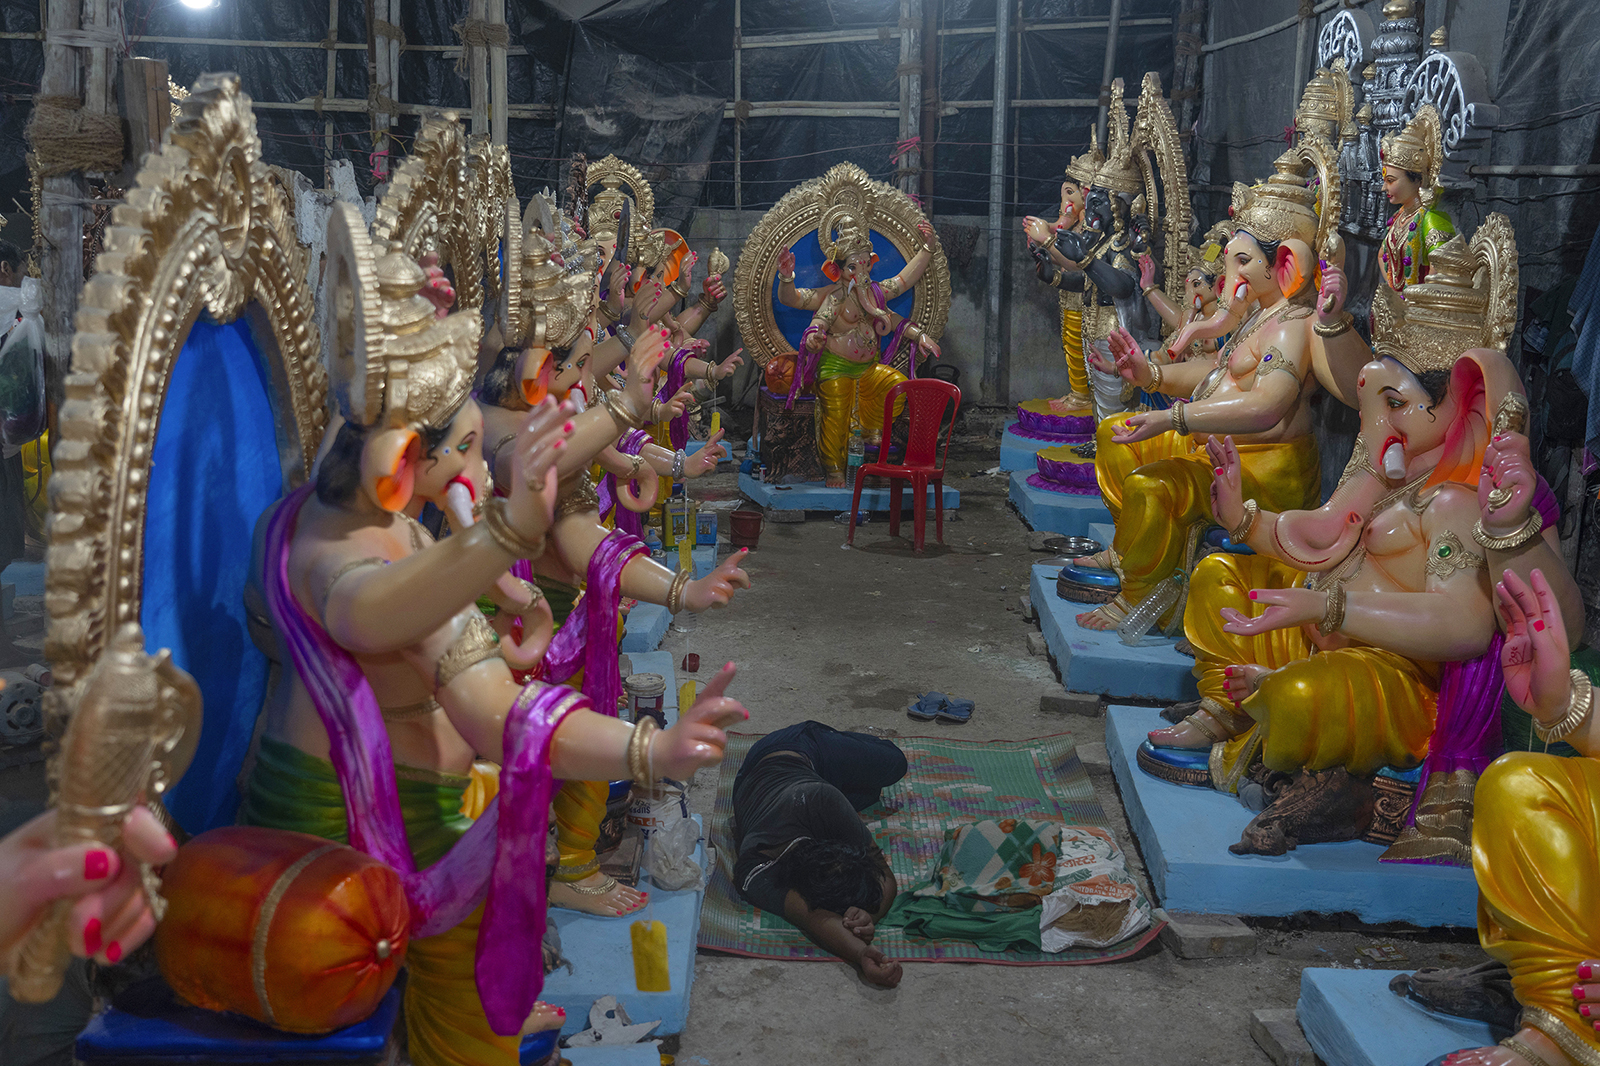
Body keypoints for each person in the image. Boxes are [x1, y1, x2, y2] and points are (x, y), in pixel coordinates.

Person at [731, 721, 908, 988]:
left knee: (883, 778)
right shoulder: (756, 867)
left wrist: (870, 919)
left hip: (788, 760)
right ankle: (838, 747)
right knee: (883, 778)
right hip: (783, 762)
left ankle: (836, 743)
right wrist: (861, 951)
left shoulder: (821, 800)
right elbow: (812, 917)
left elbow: (882, 873)